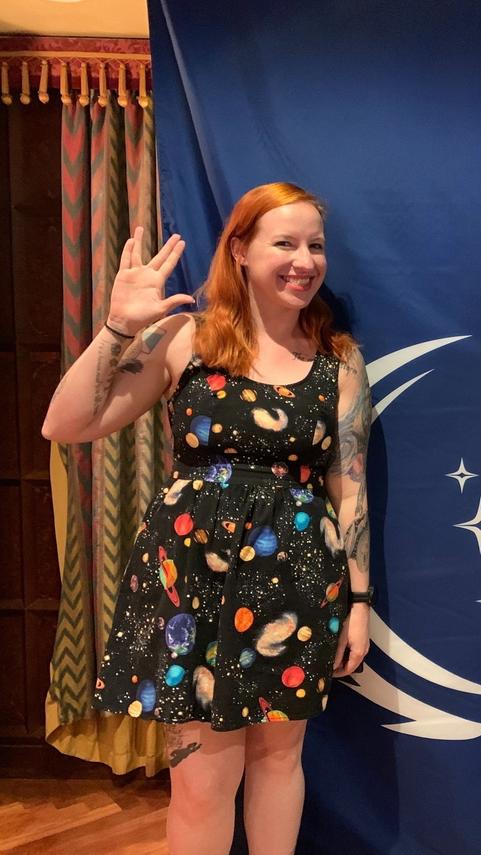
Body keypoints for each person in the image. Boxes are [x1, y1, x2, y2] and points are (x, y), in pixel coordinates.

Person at [41, 182, 373, 855]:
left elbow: (350, 490)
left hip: (296, 578)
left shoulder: (338, 360)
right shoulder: (184, 338)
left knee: (279, 761)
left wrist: (359, 603)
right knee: (200, 779)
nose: (304, 261)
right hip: (191, 579)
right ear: (240, 250)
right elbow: (65, 422)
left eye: (315, 245)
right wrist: (118, 328)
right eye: (285, 243)